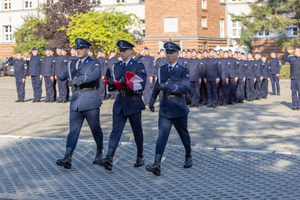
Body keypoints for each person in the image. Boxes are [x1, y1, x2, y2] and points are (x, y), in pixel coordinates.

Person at [99, 40, 147, 171]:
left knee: (137, 131)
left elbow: (141, 84)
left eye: (124, 50)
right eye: (120, 50)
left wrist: (128, 83)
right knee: (115, 130)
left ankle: (140, 155)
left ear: (130, 51)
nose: (122, 52)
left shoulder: (138, 64)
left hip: (133, 101)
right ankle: (109, 158)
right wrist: (110, 83)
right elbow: (114, 83)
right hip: (120, 101)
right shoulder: (116, 65)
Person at [56, 38, 103, 169]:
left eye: (81, 48)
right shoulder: (73, 63)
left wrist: (79, 80)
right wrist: (61, 77)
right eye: (77, 48)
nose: (78, 50)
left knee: (95, 129)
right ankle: (67, 157)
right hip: (76, 100)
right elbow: (68, 74)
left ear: (87, 50)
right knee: (73, 131)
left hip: (90, 99)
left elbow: (96, 75)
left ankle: (99, 154)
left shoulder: (94, 62)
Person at [146, 42, 192, 176]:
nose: (168, 55)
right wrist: (152, 99)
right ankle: (156, 164)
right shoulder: (161, 69)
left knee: (183, 134)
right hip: (165, 107)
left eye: (171, 53)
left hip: (178, 106)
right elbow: (157, 85)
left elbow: (184, 88)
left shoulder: (184, 70)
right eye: (167, 53)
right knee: (161, 136)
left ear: (178, 54)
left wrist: (166, 86)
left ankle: (188, 154)